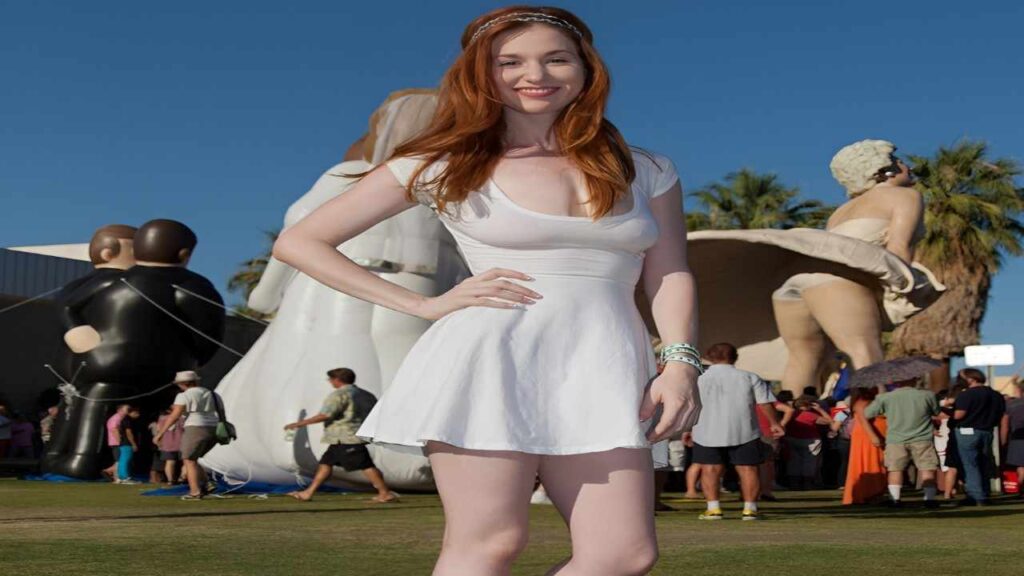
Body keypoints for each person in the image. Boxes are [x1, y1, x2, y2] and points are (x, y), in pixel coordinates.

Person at [273, 6, 700, 574]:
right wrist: (422, 304)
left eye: (556, 58)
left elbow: (670, 271)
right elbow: (301, 242)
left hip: (606, 365)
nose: (536, 74)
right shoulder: (442, 162)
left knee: (623, 555)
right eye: (510, 62)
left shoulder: (646, 168)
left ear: (585, 68)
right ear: (481, 73)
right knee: (490, 544)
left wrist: (680, 363)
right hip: (489, 360)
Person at [201, 90, 459, 491]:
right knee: (394, 358)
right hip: (380, 284)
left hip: (348, 283)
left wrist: (267, 293)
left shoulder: (360, 175)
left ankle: (344, 451)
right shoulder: (445, 183)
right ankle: (420, 456)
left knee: (329, 355)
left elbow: (297, 223)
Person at [687, 343, 782, 520]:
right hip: (744, 429)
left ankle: (713, 508)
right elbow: (764, 403)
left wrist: (686, 427)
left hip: (706, 429)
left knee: (710, 469)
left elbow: (690, 405)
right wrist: (774, 423)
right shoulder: (750, 377)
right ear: (735, 357)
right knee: (748, 469)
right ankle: (750, 509)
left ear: (708, 356)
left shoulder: (698, 378)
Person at [283, 368, 396, 502]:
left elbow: (325, 415)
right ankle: (308, 493)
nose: (330, 382)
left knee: (366, 466)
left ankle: (384, 493)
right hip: (348, 438)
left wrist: (298, 424)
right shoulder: (366, 395)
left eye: (330, 379)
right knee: (325, 464)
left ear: (337, 380)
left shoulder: (339, 395)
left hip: (346, 438)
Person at [864, 379, 941, 507]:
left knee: (895, 469)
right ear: (915, 379)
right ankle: (930, 499)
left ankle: (895, 499)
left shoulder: (886, 397)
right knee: (927, 468)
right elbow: (936, 412)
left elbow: (868, 413)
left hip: (896, 439)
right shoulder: (928, 395)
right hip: (922, 437)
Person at [153, 371, 224, 500]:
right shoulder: (213, 394)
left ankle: (195, 492)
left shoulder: (183, 395)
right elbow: (221, 413)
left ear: (182, 384)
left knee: (188, 460)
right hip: (213, 428)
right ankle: (207, 484)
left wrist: (160, 433)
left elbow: (175, 415)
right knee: (193, 459)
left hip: (195, 427)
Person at [953, 368, 1006, 506]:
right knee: (983, 462)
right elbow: (1002, 414)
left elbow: (959, 414)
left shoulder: (967, 395)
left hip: (967, 431)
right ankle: (984, 492)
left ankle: (976, 495)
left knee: (970, 464)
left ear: (971, 379)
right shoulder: (996, 395)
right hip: (987, 431)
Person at [842, 387, 888, 505]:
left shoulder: (869, 401)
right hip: (867, 437)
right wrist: (873, 436)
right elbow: (863, 420)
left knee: (875, 462)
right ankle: (870, 493)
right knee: (871, 462)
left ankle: (874, 492)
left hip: (871, 435)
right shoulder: (862, 402)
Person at [785, 396, 833, 490]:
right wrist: (820, 410)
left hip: (792, 439)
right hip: (811, 440)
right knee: (809, 463)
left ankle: (794, 484)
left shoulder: (792, 414)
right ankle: (808, 484)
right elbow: (829, 421)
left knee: (794, 462)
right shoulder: (811, 415)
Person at [757, 394, 795, 500]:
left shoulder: (745, 400)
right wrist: (781, 424)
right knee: (767, 464)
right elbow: (789, 410)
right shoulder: (767, 401)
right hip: (769, 433)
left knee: (747, 465)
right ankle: (766, 491)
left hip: (749, 434)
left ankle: (747, 492)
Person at [1001, 380, 1024, 499]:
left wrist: (1003, 441)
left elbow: (1005, 425)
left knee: (1020, 466)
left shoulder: (1011, 405)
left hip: (1017, 438)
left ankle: (1021, 489)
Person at [154, 407, 184, 485]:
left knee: (170, 462)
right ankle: (182, 478)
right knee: (187, 462)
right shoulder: (182, 418)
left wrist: (158, 440)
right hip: (182, 443)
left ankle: (170, 480)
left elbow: (158, 429)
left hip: (167, 444)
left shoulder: (162, 419)